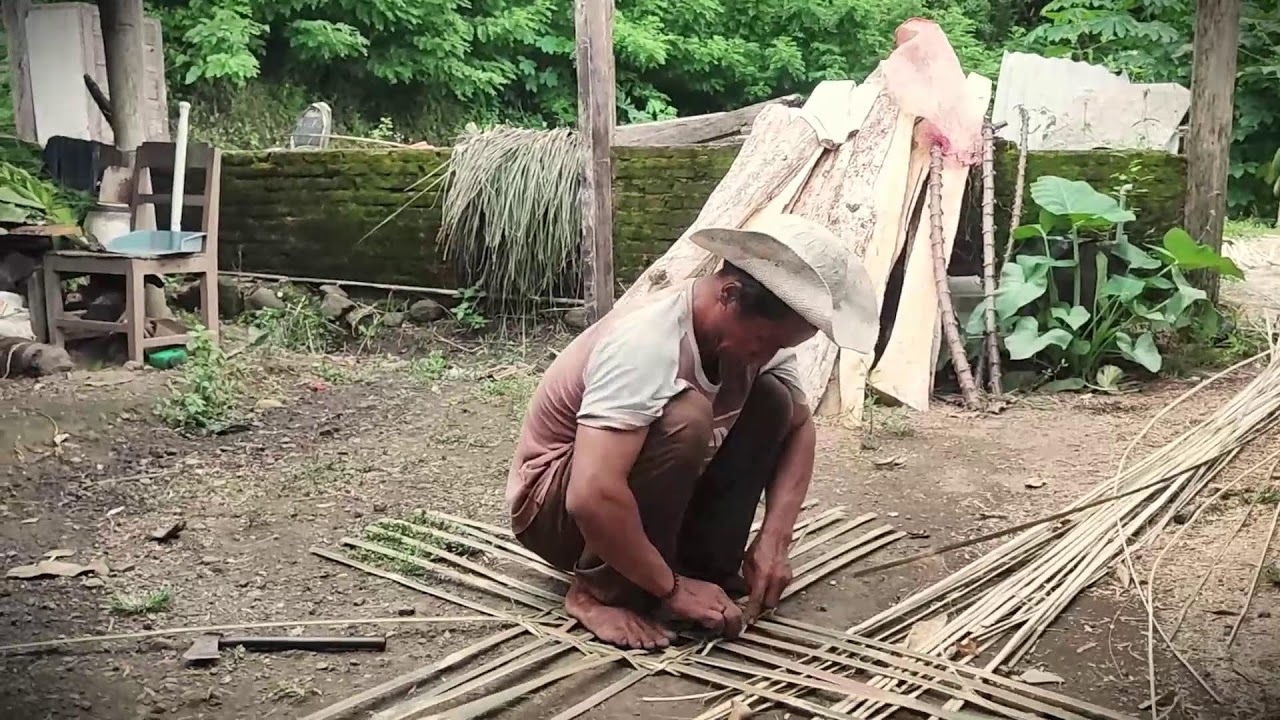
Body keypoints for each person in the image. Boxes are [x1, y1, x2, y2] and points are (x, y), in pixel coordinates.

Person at [506, 213, 878, 650]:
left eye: (782, 346)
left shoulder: (755, 339)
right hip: (554, 512)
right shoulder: (647, 342)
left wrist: (774, 538)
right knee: (686, 417)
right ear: (729, 295)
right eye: (764, 341)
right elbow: (591, 494)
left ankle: (703, 569)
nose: (769, 354)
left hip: (621, 498)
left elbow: (800, 429)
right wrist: (672, 591)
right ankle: (598, 591)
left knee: (775, 400)